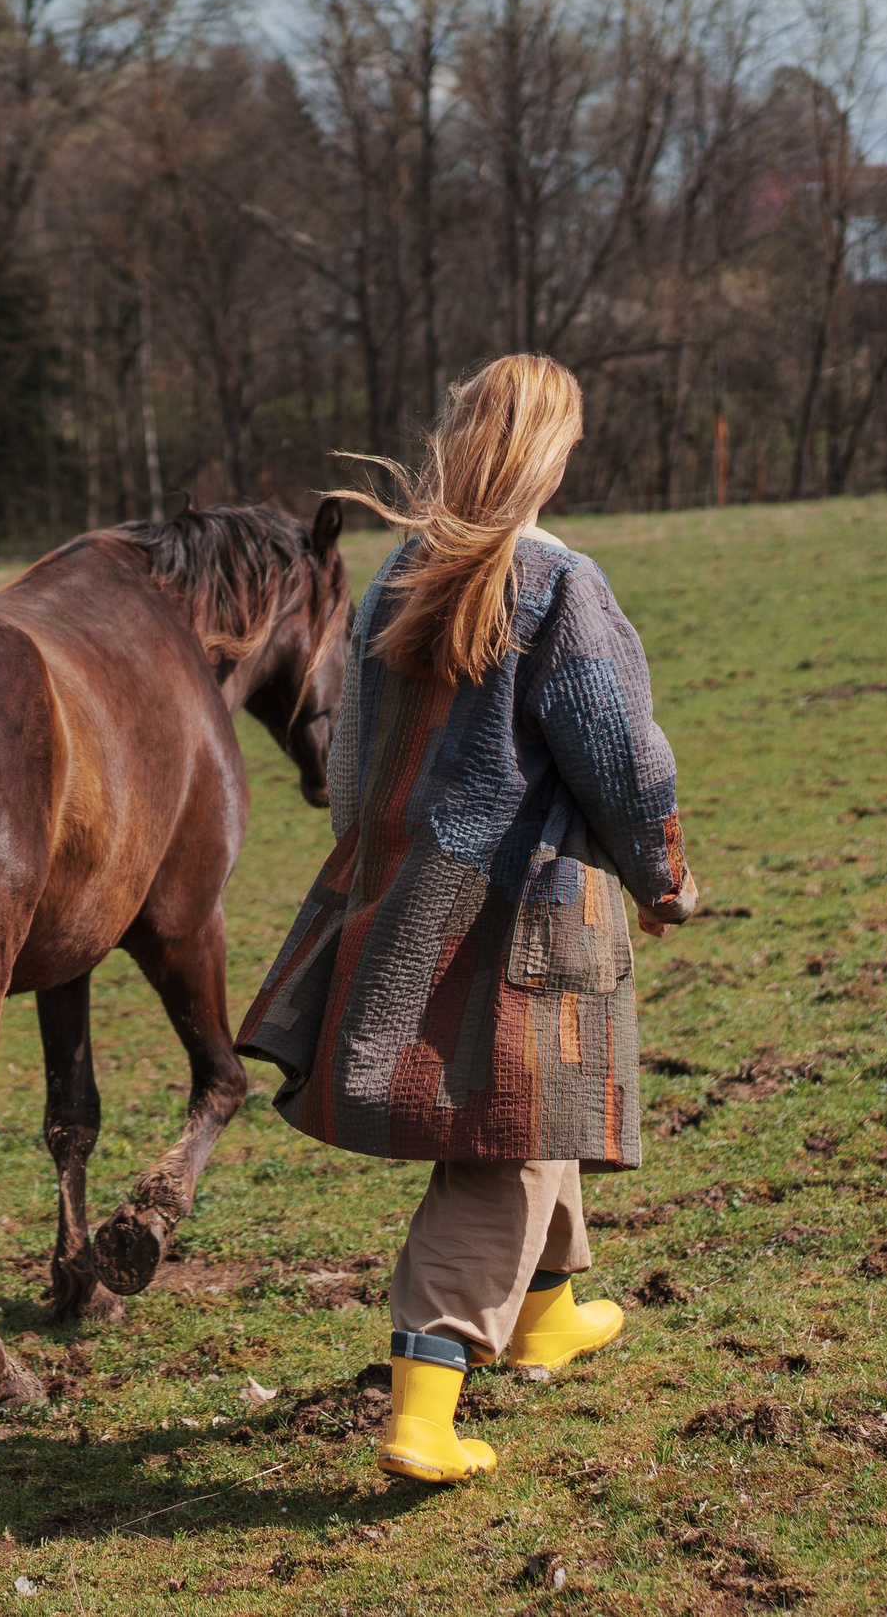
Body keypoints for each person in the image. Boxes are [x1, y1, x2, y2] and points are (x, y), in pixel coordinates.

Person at [235, 354, 698, 1485]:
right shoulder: (558, 582)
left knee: (543, 1099)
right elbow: (622, 764)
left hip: (411, 893)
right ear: (552, 452)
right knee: (510, 1138)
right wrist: (664, 872)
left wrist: (384, 859)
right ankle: (423, 1404)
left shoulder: (400, 574)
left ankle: (549, 1314)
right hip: (530, 912)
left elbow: (348, 763)